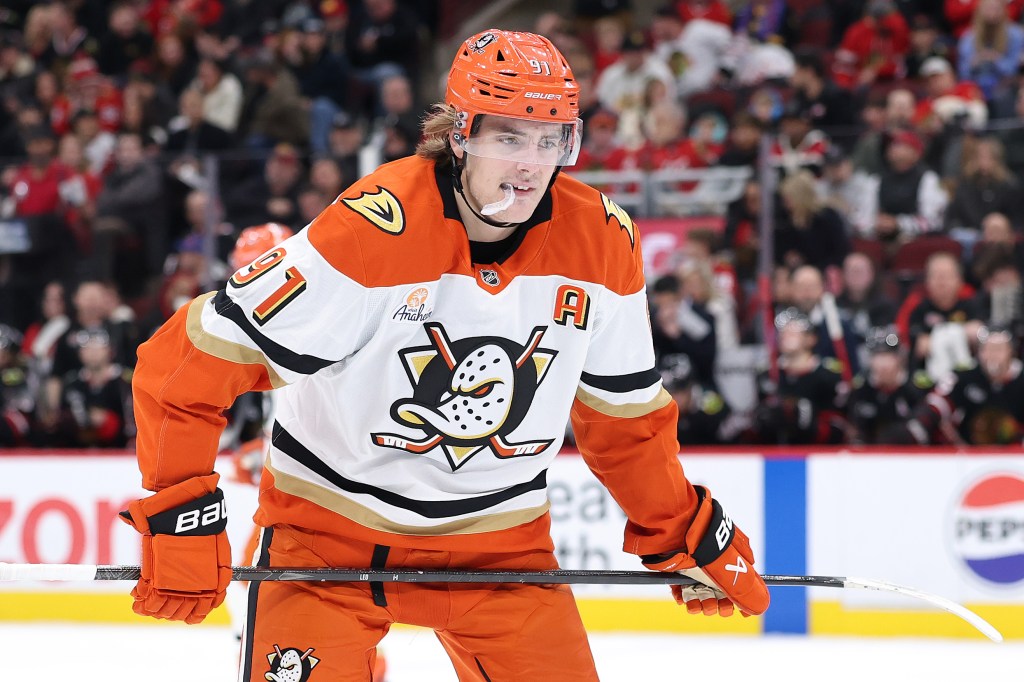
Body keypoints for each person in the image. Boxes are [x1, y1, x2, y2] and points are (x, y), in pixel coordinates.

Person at [121, 29, 769, 681]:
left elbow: (626, 421)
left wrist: (682, 529)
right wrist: (182, 515)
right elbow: (182, 365)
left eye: (551, 141)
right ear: (459, 134)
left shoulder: (603, 241)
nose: (532, 165)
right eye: (510, 137)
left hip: (502, 551)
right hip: (326, 548)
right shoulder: (369, 232)